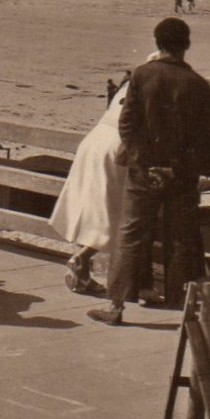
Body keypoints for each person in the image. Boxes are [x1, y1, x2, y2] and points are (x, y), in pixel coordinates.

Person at [89, 17, 210, 325]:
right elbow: (204, 138)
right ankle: (178, 304)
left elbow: (127, 125)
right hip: (181, 176)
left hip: (141, 172)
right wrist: (175, 168)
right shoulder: (199, 85)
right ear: (186, 45)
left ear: (157, 42)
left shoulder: (142, 75)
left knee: (131, 234)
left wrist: (145, 162)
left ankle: (116, 305)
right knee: (180, 238)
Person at [50, 75, 132, 295]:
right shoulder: (146, 87)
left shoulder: (126, 86)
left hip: (95, 139)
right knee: (112, 210)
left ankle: (82, 274)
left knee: (89, 207)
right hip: (115, 146)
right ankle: (81, 258)